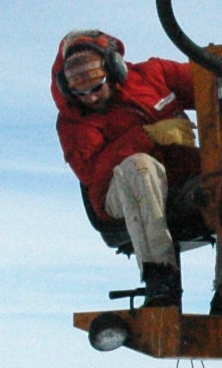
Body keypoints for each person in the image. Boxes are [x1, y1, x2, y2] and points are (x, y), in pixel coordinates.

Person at [53, 28, 203, 309]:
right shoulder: (73, 122)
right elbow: (91, 172)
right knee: (138, 167)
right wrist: (148, 136)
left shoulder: (154, 75)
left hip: (182, 182)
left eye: (96, 88)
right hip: (119, 195)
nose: (92, 98)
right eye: (81, 93)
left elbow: (207, 83)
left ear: (114, 69)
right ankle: (160, 276)